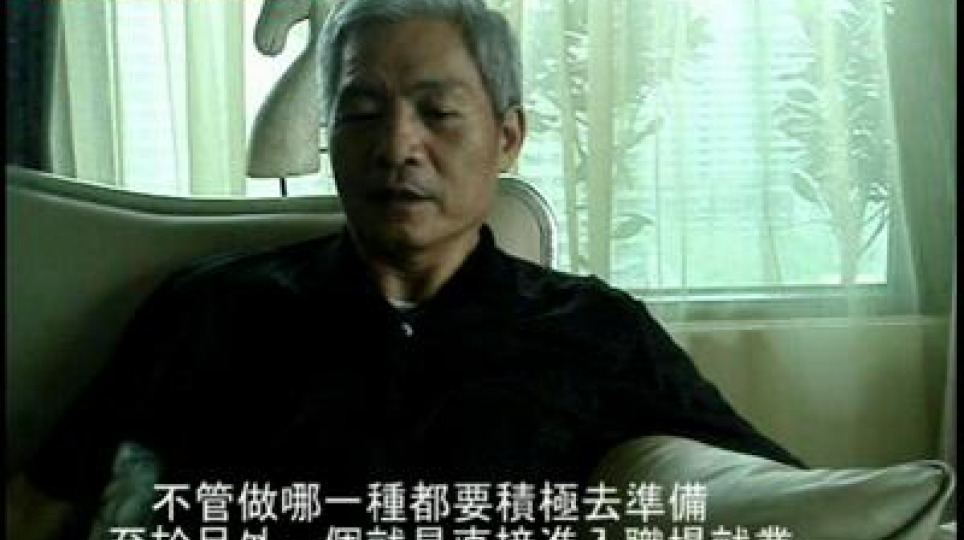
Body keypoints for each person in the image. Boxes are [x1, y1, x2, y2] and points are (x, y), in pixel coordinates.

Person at [7, 0, 804, 537]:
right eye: (361, 113)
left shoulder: (595, 330)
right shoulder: (212, 309)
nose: (396, 147)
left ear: (508, 137)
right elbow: (44, 501)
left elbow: (778, 496)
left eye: (438, 112)